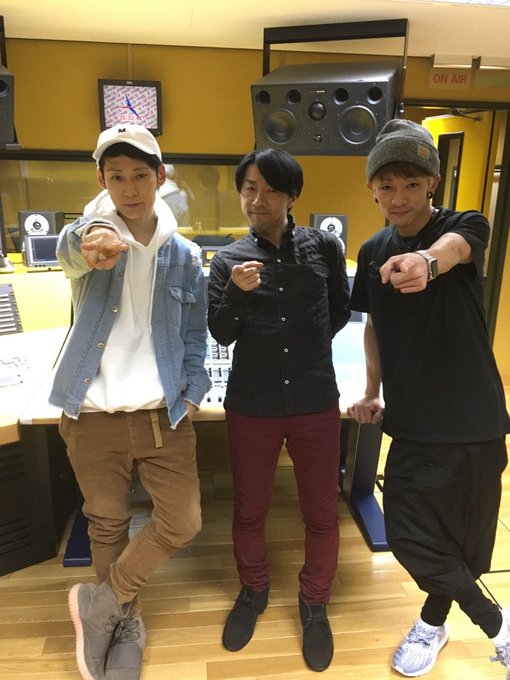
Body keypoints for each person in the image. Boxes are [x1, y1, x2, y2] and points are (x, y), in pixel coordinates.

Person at [347, 118, 510, 678]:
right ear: (372, 187)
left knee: (466, 541)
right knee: (411, 536)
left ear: (433, 183)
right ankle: (498, 625)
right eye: (387, 185)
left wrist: (426, 262)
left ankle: (432, 623)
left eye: (411, 184)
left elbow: (453, 250)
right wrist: (371, 391)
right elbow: (374, 326)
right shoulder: (372, 250)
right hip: (414, 420)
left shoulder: (465, 225)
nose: (399, 197)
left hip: (475, 416)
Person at [49, 123, 211, 680]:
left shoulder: (185, 256)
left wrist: (193, 393)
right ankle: (124, 623)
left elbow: (195, 335)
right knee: (107, 523)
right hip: (92, 413)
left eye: (141, 175)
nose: (130, 188)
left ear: (160, 177)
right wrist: (91, 240)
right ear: (102, 181)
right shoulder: (93, 238)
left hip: (163, 414)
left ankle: (102, 603)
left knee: (183, 521)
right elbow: (72, 250)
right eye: (116, 176)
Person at [207, 147, 351, 672]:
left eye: (270, 190)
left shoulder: (325, 247)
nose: (258, 200)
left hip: (315, 398)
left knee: (322, 512)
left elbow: (337, 312)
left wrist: (307, 348)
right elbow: (221, 332)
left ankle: (315, 603)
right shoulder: (226, 260)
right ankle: (253, 590)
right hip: (253, 403)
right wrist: (238, 295)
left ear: (292, 195)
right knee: (250, 509)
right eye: (249, 188)